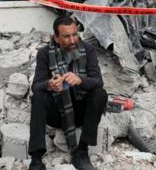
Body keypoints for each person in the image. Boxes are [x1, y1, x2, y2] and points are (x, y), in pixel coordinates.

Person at [28, 16, 107, 170]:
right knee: (38, 96)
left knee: (100, 94)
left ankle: (82, 151)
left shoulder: (88, 50)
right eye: (66, 36)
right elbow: (36, 86)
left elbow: (98, 81)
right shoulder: (45, 54)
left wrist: (80, 80)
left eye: (75, 34)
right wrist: (49, 84)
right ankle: (36, 158)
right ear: (56, 38)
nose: (72, 41)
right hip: (57, 111)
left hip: (80, 112)